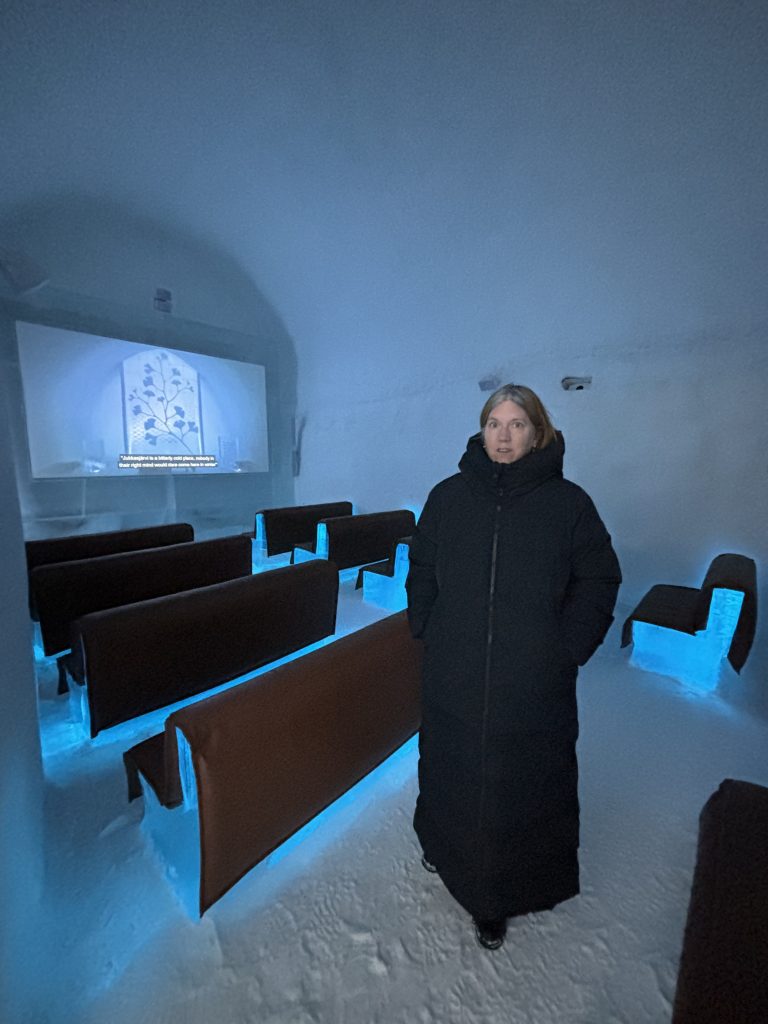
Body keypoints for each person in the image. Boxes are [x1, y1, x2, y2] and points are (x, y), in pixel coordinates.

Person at [406, 383, 621, 950]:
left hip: (532, 679)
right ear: (482, 430)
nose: (503, 436)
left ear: (537, 432)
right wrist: (426, 622)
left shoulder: (568, 504)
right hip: (454, 670)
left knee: (518, 787)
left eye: (517, 424)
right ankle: (444, 850)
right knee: (451, 772)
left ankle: (496, 897)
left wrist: (567, 647)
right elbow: (422, 563)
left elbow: (599, 578)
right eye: (494, 424)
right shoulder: (448, 497)